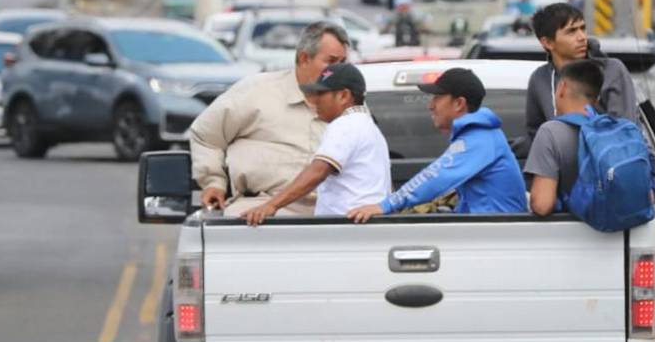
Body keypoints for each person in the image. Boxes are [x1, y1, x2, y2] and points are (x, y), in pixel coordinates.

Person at [189, 22, 350, 216]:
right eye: (331, 62)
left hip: (334, 214)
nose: (339, 71)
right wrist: (213, 183)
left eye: (343, 64)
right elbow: (206, 135)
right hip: (259, 210)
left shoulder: (350, 104)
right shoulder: (257, 91)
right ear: (304, 58)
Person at [347, 68, 527, 223]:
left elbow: (435, 176)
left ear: (459, 103)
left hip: (496, 240)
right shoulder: (479, 136)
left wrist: (386, 205)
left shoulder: (480, 139)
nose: (431, 105)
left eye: (438, 97)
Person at [243, 63, 391, 225]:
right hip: (365, 225)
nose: (314, 101)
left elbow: (318, 172)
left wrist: (271, 205)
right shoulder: (368, 126)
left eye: (321, 94)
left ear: (343, 96)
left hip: (348, 227)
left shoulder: (345, 125)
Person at [525, 3, 637, 146]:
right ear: (547, 42)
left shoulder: (611, 70)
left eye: (582, 28)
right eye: (571, 31)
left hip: (608, 162)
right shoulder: (540, 79)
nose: (582, 37)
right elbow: (536, 136)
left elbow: (625, 129)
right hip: (562, 165)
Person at [524, 59, 602, 215]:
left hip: (573, 235)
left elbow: (542, 205)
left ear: (562, 88)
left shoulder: (551, 133)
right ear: (596, 99)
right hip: (623, 233)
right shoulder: (616, 130)